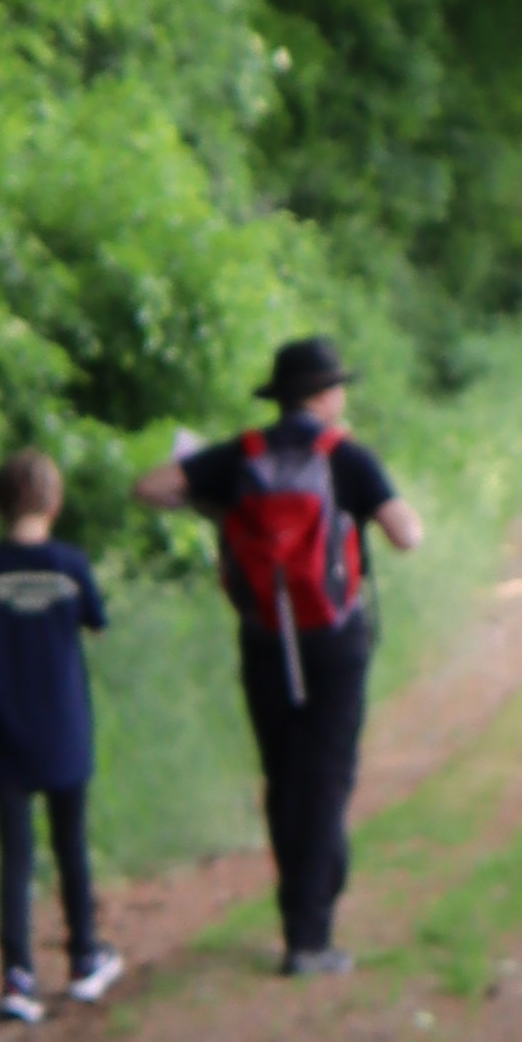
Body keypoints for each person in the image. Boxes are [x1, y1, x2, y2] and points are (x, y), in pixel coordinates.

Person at [133, 337, 425, 977]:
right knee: (326, 781)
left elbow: (149, 487)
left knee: (285, 776)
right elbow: (406, 536)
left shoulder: (243, 455)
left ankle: (303, 908)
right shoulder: (343, 455)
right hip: (335, 640)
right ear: (323, 397)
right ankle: (310, 936)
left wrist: (219, 507)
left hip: (266, 634)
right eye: (337, 387)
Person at [0, 450, 120, 1024]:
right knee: (71, 844)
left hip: (4, 727)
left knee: (15, 854)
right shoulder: (70, 566)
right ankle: (85, 960)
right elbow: (98, 627)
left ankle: (17, 978)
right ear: (55, 502)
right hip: (64, 726)